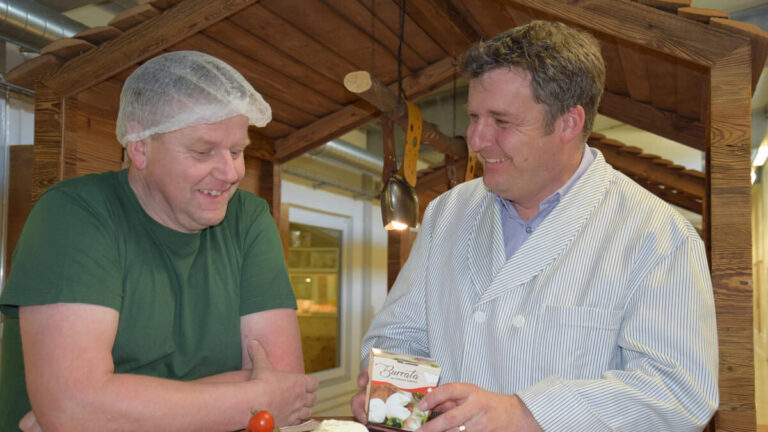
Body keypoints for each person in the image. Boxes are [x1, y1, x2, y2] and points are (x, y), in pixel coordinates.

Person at [351, 20, 718, 432]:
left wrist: (527, 413)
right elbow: (400, 337)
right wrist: (395, 399)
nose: (476, 138)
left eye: (502, 122)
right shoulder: (448, 212)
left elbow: (677, 393)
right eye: (473, 116)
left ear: (568, 123)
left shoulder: (655, 234)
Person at [0, 50, 318, 431]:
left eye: (237, 151)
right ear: (140, 148)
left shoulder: (248, 219)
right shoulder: (75, 213)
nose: (231, 172)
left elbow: (285, 384)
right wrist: (255, 399)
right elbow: (74, 409)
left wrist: (112, 411)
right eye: (203, 152)